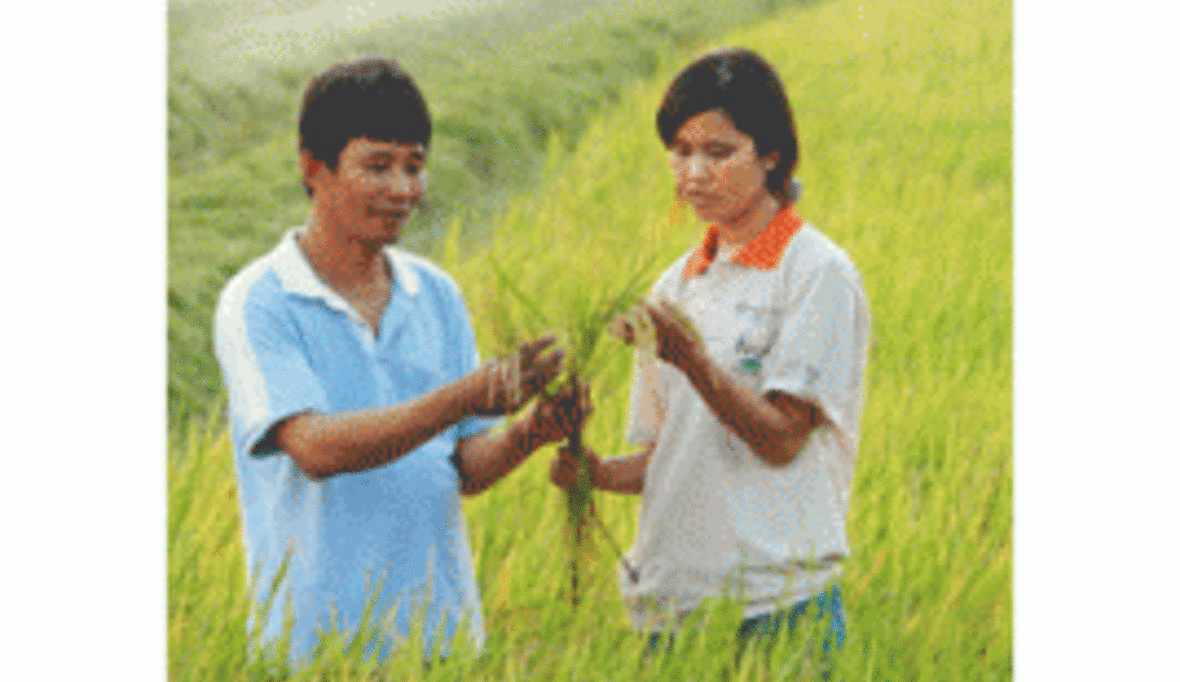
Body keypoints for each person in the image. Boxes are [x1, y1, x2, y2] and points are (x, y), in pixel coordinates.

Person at [213, 55, 585, 667]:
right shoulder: (261, 300)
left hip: (440, 640)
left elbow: (465, 467)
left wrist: (531, 431)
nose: (402, 188)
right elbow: (314, 448)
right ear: (314, 168)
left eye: (415, 166)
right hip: (317, 649)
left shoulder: (434, 293)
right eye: (377, 165)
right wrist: (465, 396)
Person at [550, 48, 871, 673]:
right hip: (674, 604)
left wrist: (695, 361)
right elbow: (665, 457)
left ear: (771, 155)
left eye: (718, 152)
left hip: (779, 603)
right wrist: (596, 472)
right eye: (680, 150)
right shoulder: (676, 286)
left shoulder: (815, 272)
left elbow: (781, 439)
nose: (693, 171)